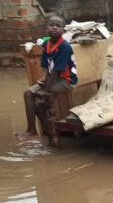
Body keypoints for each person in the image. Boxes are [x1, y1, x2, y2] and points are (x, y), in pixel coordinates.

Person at [17, 15, 78, 147]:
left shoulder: (64, 46)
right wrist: (43, 79)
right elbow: (46, 66)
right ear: (46, 28)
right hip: (52, 79)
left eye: (58, 26)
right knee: (27, 93)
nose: (54, 28)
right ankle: (31, 130)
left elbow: (57, 70)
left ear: (63, 29)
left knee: (40, 102)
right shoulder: (46, 44)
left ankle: (51, 136)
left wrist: (45, 89)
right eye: (51, 25)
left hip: (66, 81)